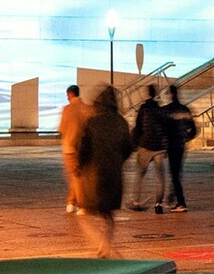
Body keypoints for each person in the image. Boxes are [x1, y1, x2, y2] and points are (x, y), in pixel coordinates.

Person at [73, 86, 134, 258]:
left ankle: (103, 246)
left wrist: (80, 165)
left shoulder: (92, 122)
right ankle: (104, 246)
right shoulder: (121, 122)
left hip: (94, 173)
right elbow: (128, 147)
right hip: (113, 173)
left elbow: (83, 146)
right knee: (107, 213)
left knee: (86, 212)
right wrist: (117, 160)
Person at [128, 85, 168, 212]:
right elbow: (165, 129)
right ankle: (158, 204)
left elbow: (138, 127)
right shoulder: (160, 110)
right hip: (160, 148)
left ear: (147, 94)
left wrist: (134, 144)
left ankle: (136, 200)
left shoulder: (143, 109)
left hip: (145, 146)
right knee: (160, 176)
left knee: (140, 174)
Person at [161, 84, 197, 213]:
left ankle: (180, 201)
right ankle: (172, 196)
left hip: (172, 145)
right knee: (176, 172)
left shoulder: (166, 111)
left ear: (170, 95)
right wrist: (186, 138)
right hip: (181, 145)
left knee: (174, 174)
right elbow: (194, 130)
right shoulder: (185, 109)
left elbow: (164, 130)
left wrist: (164, 144)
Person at [57, 84, 91, 214]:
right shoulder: (87, 109)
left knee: (76, 177)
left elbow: (62, 128)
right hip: (84, 148)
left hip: (70, 148)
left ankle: (81, 205)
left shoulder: (67, 109)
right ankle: (71, 202)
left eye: (67, 95)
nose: (67, 98)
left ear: (71, 94)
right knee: (78, 176)